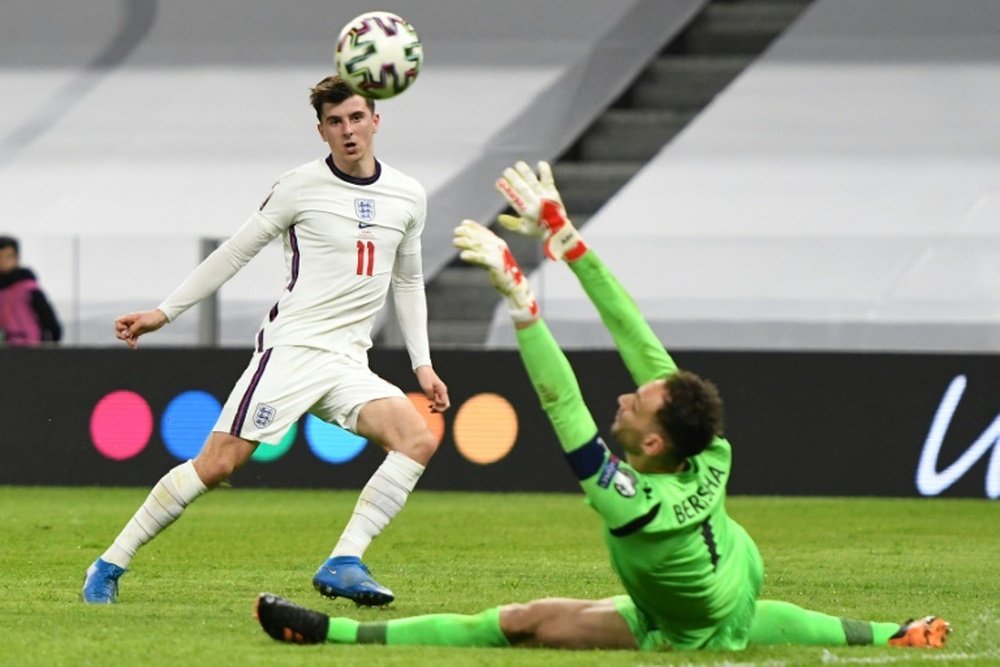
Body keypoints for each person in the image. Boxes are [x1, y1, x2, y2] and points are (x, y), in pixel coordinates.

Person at [252, 161, 950, 652]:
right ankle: (895, 632)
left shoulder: (634, 503)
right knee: (762, 618)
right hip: (728, 589)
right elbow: (633, 330)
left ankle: (333, 633)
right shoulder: (708, 447)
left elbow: (563, 405)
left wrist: (524, 307)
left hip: (679, 630)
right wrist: (566, 238)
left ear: (651, 446)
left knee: (518, 623)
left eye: (637, 403)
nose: (625, 392)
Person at [81, 75, 450, 606]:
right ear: (321, 131)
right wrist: (165, 312)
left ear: (376, 119)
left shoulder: (407, 195)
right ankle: (109, 563)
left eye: (355, 118)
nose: (348, 131)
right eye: (334, 122)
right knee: (218, 465)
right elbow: (235, 252)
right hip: (292, 350)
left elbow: (408, 281)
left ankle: (344, 560)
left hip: (349, 360)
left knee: (417, 439)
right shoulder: (299, 186)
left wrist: (423, 364)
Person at [0, 235, 62, 346]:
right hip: (6, 347)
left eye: (8, 257)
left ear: (17, 258)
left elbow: (48, 317)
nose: (4, 262)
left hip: (31, 345)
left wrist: (51, 344)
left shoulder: (28, 287)